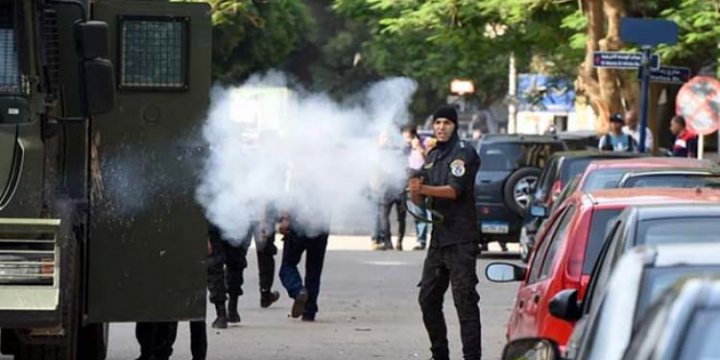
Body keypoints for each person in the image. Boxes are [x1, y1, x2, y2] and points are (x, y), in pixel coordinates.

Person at [408, 105, 482, 360]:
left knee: (465, 303)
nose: (441, 127)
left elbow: (453, 191)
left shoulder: (463, 153)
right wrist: (415, 189)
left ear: (454, 126)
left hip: (461, 239)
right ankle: (439, 353)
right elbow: (420, 203)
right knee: (427, 299)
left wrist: (424, 188)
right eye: (437, 122)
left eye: (446, 123)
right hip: (439, 239)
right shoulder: (433, 155)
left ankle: (471, 357)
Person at [278, 214, 329, 322]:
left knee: (287, 266)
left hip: (298, 223)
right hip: (321, 225)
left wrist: (285, 218)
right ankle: (309, 311)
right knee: (314, 271)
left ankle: (298, 291)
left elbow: (291, 197)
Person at [207, 222, 247, 329]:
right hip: (234, 224)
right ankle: (229, 311)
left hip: (219, 224)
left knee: (217, 268)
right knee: (233, 265)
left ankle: (223, 314)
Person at [402, 125, 429, 250]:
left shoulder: (425, 142)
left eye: (407, 137)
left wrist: (419, 148)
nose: (406, 140)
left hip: (425, 179)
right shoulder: (404, 148)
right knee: (418, 212)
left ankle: (429, 239)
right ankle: (421, 240)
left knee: (429, 211)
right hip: (412, 179)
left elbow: (429, 161)